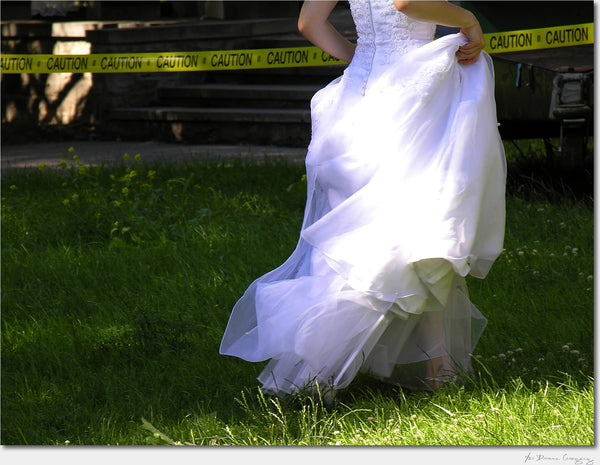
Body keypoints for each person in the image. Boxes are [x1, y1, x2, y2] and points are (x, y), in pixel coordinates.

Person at [220, 0, 506, 397]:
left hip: (359, 97)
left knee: (390, 235)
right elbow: (406, 2)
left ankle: (437, 368)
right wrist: (468, 21)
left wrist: (364, 59)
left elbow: (309, 22)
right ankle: (369, 364)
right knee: (420, 231)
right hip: (410, 96)